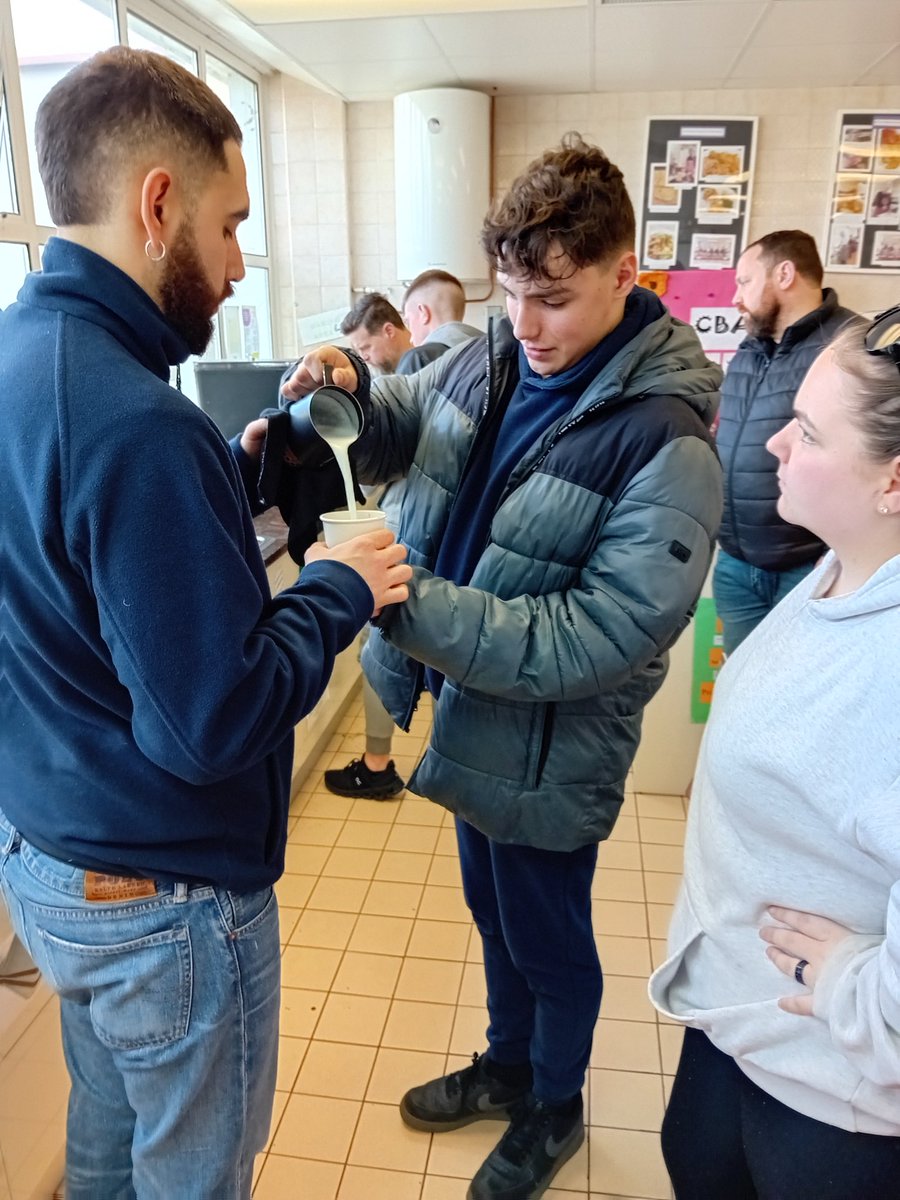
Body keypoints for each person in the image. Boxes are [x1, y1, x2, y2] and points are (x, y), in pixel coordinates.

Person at [0, 47, 411, 1200]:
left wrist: (222, 488)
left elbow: (67, 580)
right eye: (231, 228)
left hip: (53, 859)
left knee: (104, 1148)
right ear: (157, 204)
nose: (237, 266)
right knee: (193, 1179)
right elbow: (213, 722)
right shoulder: (136, 423)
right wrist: (338, 586)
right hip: (162, 905)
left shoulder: (23, 360)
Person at [281, 133, 723, 1200]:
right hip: (474, 713)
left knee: (550, 933)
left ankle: (555, 1108)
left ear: (629, 273)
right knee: (491, 909)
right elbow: (396, 427)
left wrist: (404, 597)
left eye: (555, 300)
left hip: (553, 743)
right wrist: (336, 387)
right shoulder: (486, 353)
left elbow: (599, 635)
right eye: (512, 293)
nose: (527, 327)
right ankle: (507, 1062)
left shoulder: (667, 439)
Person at [650, 309, 900, 1199]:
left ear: (893, 482)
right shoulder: (841, 568)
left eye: (811, 432)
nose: (775, 446)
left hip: (836, 1096)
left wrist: (855, 988)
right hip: (742, 1026)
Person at [325, 276, 480, 801]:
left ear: (414, 317)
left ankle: (377, 761)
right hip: (468, 553)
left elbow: (392, 471)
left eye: (367, 348)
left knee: (387, 642)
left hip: (416, 545)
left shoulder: (423, 368)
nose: (370, 360)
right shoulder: (489, 360)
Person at [714, 230, 861, 654]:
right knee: (742, 693)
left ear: (784, 273)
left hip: (812, 569)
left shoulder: (852, 346)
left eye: (744, 282)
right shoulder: (749, 349)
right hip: (736, 564)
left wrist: (840, 554)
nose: (735, 298)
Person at [340, 291, 440, 375]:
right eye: (358, 351)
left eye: (365, 348)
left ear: (389, 331)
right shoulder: (394, 376)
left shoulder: (431, 365)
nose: (364, 357)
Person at [401, 268, 482, 355]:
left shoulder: (419, 358)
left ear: (423, 313)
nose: (411, 339)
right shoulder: (489, 350)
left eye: (408, 322)